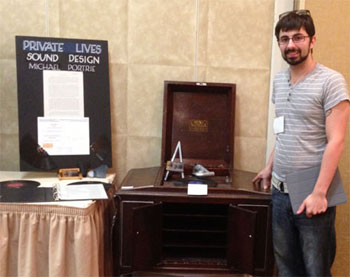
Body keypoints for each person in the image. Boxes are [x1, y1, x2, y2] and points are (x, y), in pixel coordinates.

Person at [253, 10, 350, 276]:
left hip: (312, 189)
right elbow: (283, 130)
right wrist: (270, 165)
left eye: (298, 37)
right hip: (279, 189)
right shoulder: (279, 81)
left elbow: (337, 141)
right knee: (286, 268)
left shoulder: (331, 81)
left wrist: (319, 193)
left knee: (316, 269)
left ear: (312, 41)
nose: (291, 45)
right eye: (284, 39)